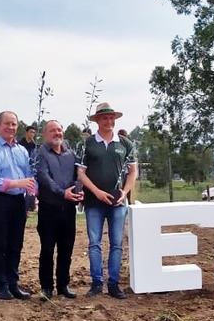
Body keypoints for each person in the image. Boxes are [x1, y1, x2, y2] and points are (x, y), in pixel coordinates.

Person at [79, 102, 137, 299]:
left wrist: (125, 191)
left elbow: (132, 171)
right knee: (94, 243)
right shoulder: (86, 144)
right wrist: (96, 192)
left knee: (117, 243)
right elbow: (81, 173)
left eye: (112, 118)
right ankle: (96, 282)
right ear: (97, 121)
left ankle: (113, 283)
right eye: (105, 118)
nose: (109, 121)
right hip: (94, 203)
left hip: (117, 202)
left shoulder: (126, 144)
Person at [0, 111, 37, 301]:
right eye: (6, 124)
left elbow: (29, 177)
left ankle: (13, 283)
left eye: (14, 124)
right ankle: (0, 285)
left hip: (18, 202)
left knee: (16, 244)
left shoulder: (21, 151)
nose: (10, 127)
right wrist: (18, 183)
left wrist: (32, 195)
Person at [34, 120, 82, 299]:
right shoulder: (40, 154)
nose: (57, 133)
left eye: (59, 130)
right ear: (45, 135)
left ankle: (63, 285)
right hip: (49, 209)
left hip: (68, 210)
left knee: (66, 248)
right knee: (47, 249)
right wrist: (63, 193)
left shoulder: (71, 154)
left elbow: (79, 174)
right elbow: (44, 178)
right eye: (52, 130)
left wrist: (78, 191)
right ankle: (46, 287)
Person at [19, 124, 38, 213]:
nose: (32, 134)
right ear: (26, 132)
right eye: (31, 132)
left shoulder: (34, 145)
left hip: (31, 170)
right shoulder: (20, 144)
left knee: (30, 190)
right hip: (21, 169)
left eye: (34, 133)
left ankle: (28, 208)